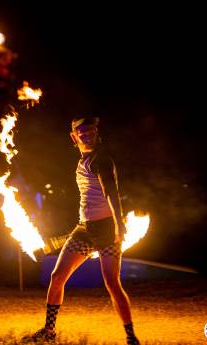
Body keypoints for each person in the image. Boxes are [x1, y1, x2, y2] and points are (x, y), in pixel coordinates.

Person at [23, 116, 140, 345]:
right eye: (82, 132)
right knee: (57, 277)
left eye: (91, 131)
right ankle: (48, 331)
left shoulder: (101, 160)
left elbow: (111, 194)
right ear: (74, 137)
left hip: (107, 229)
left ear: (97, 133)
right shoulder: (82, 162)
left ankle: (130, 336)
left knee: (112, 283)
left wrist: (119, 224)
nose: (87, 135)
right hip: (84, 229)